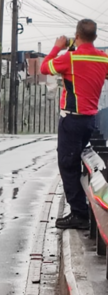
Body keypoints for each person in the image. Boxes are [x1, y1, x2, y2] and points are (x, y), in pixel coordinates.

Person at [40, 19, 108, 230]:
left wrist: (58, 47)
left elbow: (44, 67)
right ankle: (83, 207)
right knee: (80, 162)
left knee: (67, 165)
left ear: (76, 36)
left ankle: (78, 214)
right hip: (90, 120)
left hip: (71, 119)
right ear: (95, 37)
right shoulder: (103, 59)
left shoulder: (70, 58)